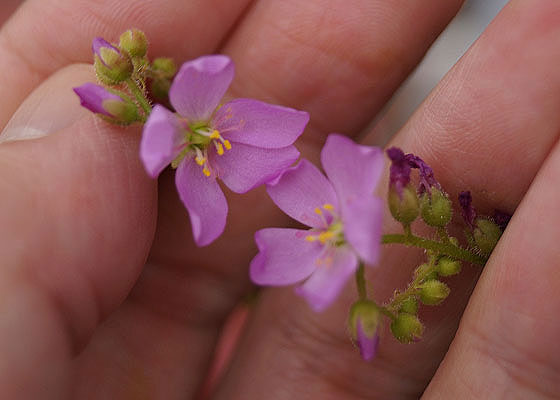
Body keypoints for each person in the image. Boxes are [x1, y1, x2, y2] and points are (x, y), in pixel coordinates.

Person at [0, 0, 558, 398]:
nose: (203, 138)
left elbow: (283, 161)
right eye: (193, 137)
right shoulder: (180, 138)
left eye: (204, 133)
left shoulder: (219, 125)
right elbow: (200, 158)